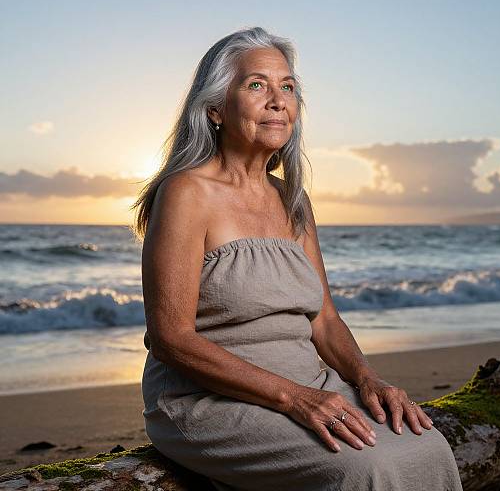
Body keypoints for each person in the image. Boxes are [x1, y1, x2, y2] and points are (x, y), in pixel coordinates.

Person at [131, 26, 463, 490]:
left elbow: (324, 321)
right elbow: (171, 339)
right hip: (211, 398)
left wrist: (368, 380)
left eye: (287, 86)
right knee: (365, 467)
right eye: (256, 85)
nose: (278, 100)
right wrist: (294, 399)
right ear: (214, 109)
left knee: (429, 446)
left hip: (310, 383)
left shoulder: (293, 201)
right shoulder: (187, 193)